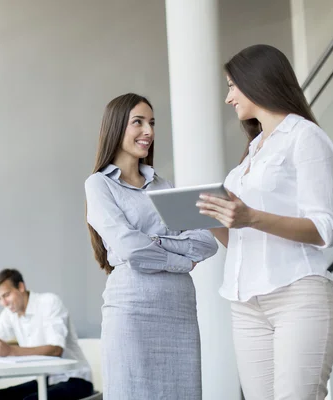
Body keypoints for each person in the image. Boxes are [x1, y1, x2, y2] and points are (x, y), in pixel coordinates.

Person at [197, 44, 333, 399]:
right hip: (246, 303)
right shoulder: (254, 149)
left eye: (232, 86)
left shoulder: (305, 137)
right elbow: (242, 239)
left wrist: (250, 216)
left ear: (256, 82)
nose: (228, 98)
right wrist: (208, 218)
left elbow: (325, 229)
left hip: (297, 295)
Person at [84, 93, 219, 399]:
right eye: (138, 122)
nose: (149, 131)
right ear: (117, 127)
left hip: (179, 310)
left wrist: (155, 241)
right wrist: (180, 260)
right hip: (132, 309)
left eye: (152, 123)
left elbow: (206, 242)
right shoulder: (99, 184)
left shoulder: (164, 186)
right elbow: (129, 248)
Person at [0, 268, 94, 400]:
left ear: (21, 287)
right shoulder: (10, 313)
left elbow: (56, 350)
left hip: (75, 379)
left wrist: (10, 350)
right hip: (45, 379)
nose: (3, 303)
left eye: (6, 295)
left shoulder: (49, 303)